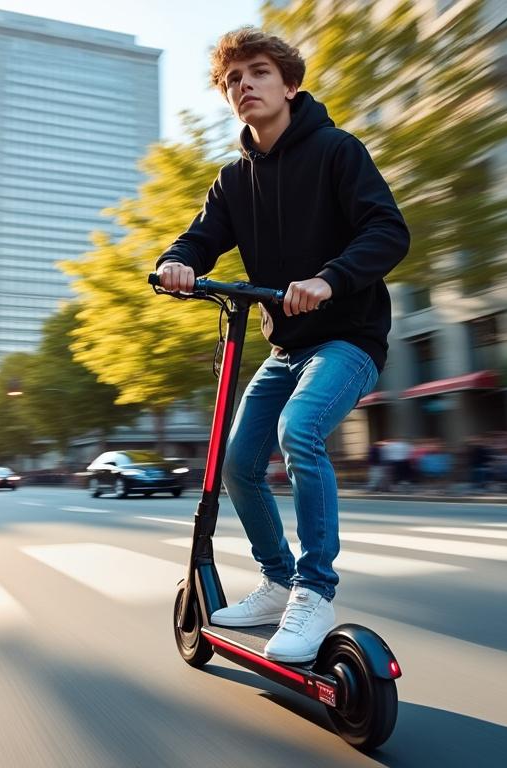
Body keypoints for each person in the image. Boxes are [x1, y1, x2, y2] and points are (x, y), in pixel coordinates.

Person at [153, 27, 409, 663]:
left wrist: (328, 281)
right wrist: (175, 264)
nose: (245, 86)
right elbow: (196, 241)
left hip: (349, 338)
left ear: (289, 83)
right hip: (287, 347)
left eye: (258, 73)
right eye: (233, 80)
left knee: (300, 430)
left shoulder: (337, 151)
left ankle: (314, 594)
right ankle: (276, 579)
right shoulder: (233, 181)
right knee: (237, 462)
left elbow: (388, 232)